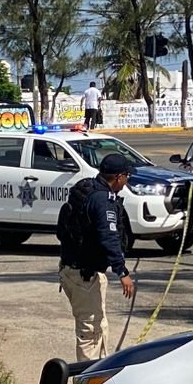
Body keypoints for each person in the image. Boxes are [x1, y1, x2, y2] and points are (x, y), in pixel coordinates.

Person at [56, 152, 136, 362]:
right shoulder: (102, 200)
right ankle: (87, 379)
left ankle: (100, 373)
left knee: (99, 326)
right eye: (127, 176)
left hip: (73, 270)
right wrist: (122, 272)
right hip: (84, 276)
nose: (127, 180)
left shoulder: (88, 188)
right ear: (118, 177)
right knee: (90, 331)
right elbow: (108, 237)